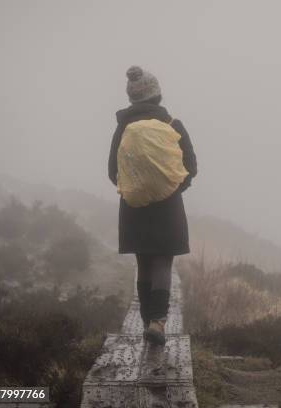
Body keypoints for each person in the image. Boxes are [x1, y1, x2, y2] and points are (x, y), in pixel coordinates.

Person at [108, 66, 197, 345]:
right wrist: (171, 189)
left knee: (143, 263)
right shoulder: (173, 124)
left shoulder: (123, 128)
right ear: (157, 95)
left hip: (133, 206)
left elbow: (113, 171)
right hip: (168, 207)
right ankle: (158, 323)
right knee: (162, 262)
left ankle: (148, 321)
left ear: (132, 99)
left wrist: (134, 188)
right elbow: (191, 167)